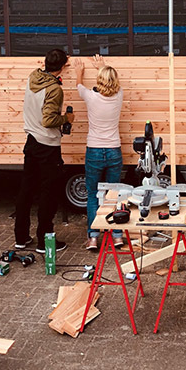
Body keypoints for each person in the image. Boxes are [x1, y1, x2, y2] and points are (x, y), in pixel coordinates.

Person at [15, 48, 74, 252]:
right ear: (63, 66)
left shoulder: (34, 77)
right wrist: (66, 118)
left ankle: (21, 238)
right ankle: (44, 241)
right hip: (47, 146)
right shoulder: (54, 89)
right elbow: (48, 120)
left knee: (26, 190)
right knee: (48, 194)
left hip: (31, 141)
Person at [75, 54, 125, 251]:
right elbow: (111, 82)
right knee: (114, 195)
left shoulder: (90, 96)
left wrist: (79, 72)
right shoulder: (119, 95)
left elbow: (79, 86)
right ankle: (118, 236)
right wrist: (102, 66)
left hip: (94, 151)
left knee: (93, 194)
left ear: (99, 81)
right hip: (114, 150)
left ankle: (93, 238)